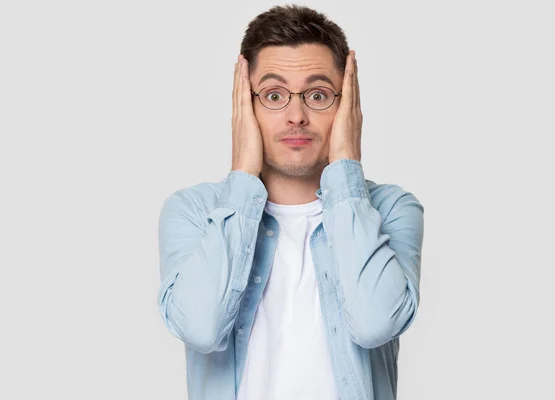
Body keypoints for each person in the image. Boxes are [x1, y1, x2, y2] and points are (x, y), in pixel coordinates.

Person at [157, 4, 425, 400]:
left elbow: (374, 323)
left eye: (318, 94)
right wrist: (242, 176)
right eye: (274, 95)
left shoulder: (391, 208)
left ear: (347, 104)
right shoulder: (194, 212)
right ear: (244, 104)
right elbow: (201, 328)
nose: (296, 115)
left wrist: (346, 167)